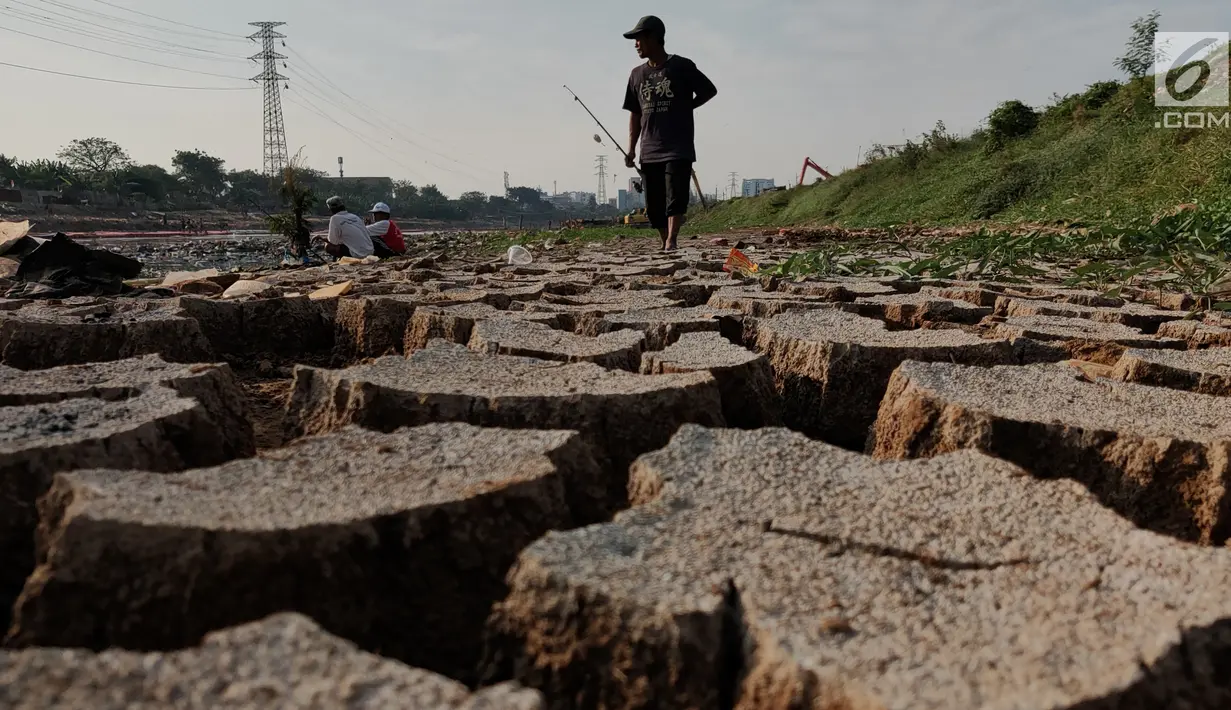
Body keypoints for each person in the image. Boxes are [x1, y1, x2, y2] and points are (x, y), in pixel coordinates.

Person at [621, 15, 716, 252]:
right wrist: (632, 148)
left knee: (676, 197)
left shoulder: (681, 66)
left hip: (677, 146)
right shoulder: (636, 75)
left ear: (653, 38)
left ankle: (672, 241)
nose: (636, 44)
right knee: (654, 206)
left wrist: (687, 106)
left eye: (639, 39)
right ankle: (665, 239)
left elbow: (709, 90)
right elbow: (635, 114)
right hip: (649, 149)